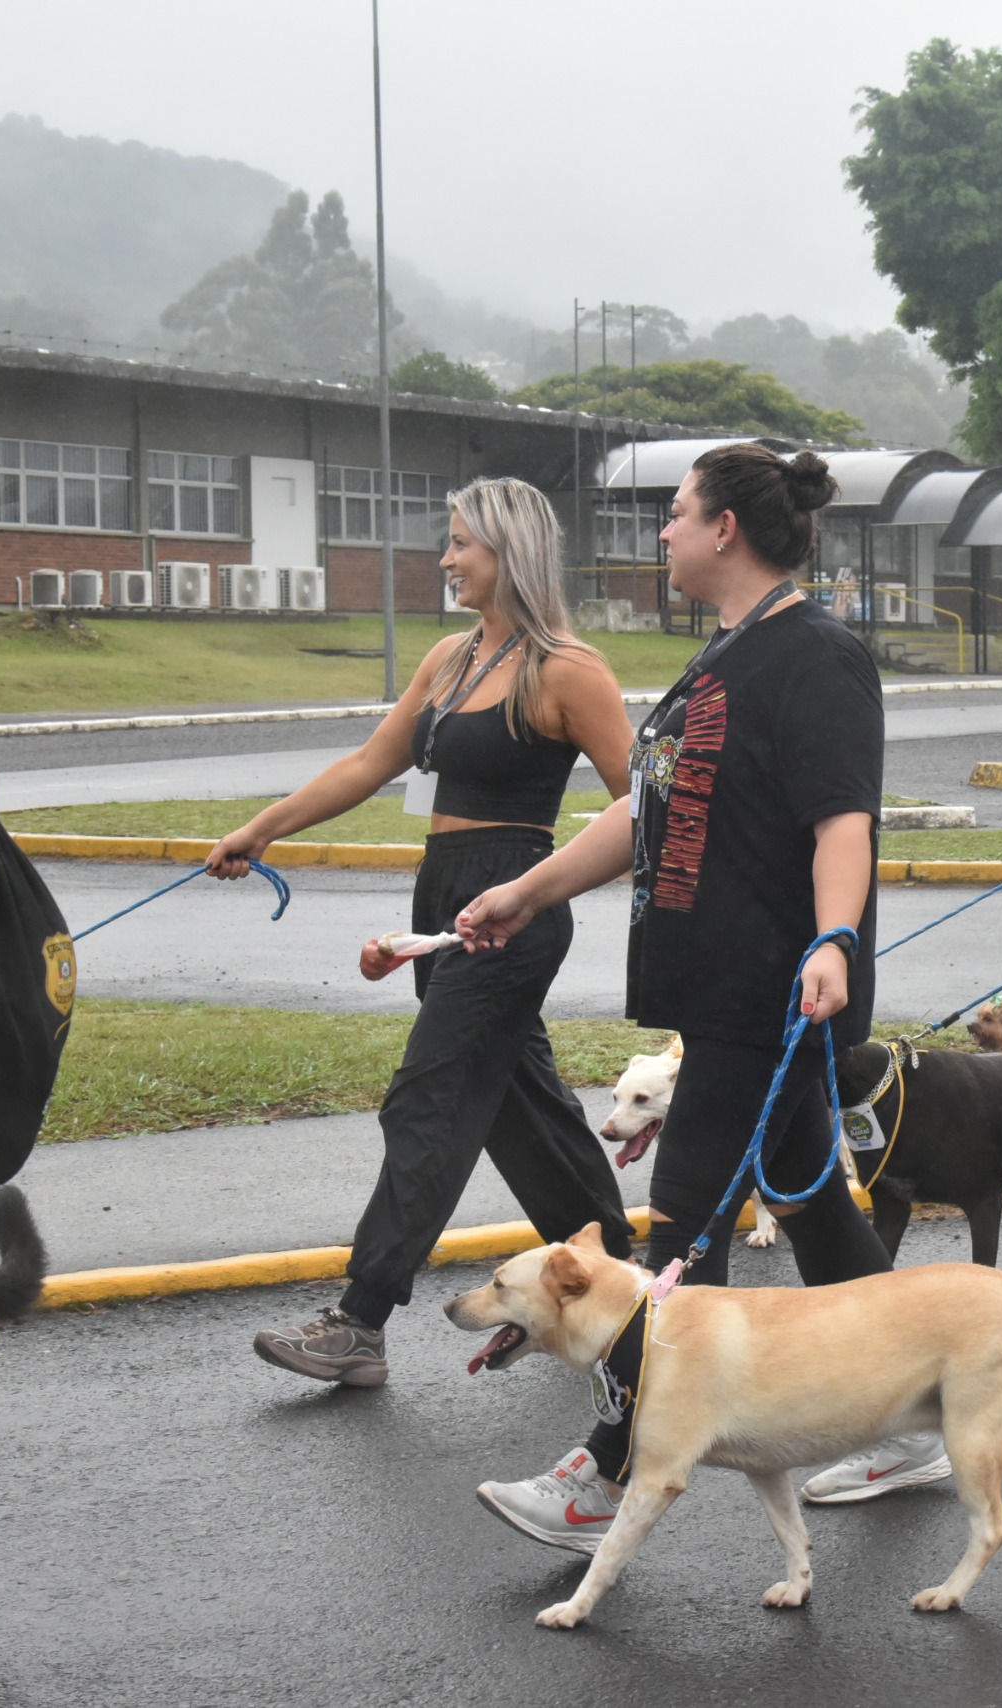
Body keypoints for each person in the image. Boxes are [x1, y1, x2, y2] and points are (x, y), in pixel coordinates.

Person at [453, 443, 912, 1548]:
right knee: (812, 1206)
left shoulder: (818, 656)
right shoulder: (721, 656)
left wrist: (835, 939)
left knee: (676, 1242)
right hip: (718, 993)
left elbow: (843, 820)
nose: (660, 532)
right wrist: (526, 890)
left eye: (674, 513)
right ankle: (916, 1412)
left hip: (772, 994)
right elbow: (643, 812)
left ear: (725, 530)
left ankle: (603, 1477)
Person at [217, 477, 639, 1388]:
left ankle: (360, 1321)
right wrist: (263, 829)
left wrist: (540, 889)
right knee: (519, 1107)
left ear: (508, 552)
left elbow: (644, 805)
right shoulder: (453, 657)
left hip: (514, 903)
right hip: (443, 893)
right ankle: (629, 1286)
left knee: (428, 1101)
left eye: (459, 544)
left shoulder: (569, 669)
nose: (444, 560)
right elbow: (372, 762)